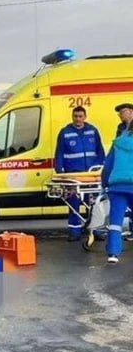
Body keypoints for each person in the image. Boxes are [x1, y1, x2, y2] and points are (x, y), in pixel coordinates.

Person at [54, 107, 105, 241]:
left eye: (80, 116)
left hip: (90, 175)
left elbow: (100, 151)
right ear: (72, 116)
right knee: (73, 203)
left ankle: (96, 230)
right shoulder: (65, 133)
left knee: (94, 203)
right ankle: (74, 231)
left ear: (85, 116)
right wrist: (60, 172)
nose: (78, 119)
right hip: (73, 176)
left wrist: (101, 168)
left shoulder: (92, 131)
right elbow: (59, 153)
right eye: (75, 116)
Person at [103, 106, 133, 263]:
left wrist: (104, 185)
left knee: (115, 220)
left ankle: (113, 254)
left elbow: (108, 165)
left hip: (117, 186)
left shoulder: (117, 143)